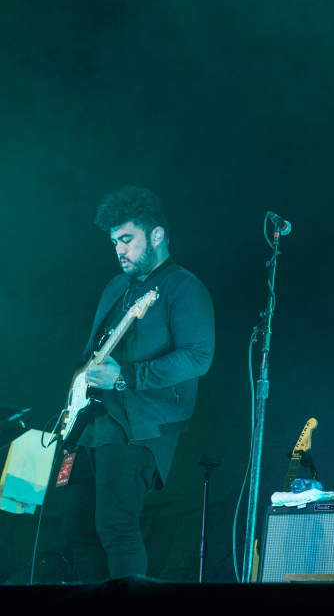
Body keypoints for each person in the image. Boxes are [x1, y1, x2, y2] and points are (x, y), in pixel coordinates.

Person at [62, 186, 215, 580]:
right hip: (93, 425)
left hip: (139, 427)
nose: (119, 249)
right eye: (115, 241)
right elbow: (90, 355)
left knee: (116, 526)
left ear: (157, 235)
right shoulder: (117, 287)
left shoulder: (183, 286)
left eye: (127, 239)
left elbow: (198, 356)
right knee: (79, 530)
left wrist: (126, 377)